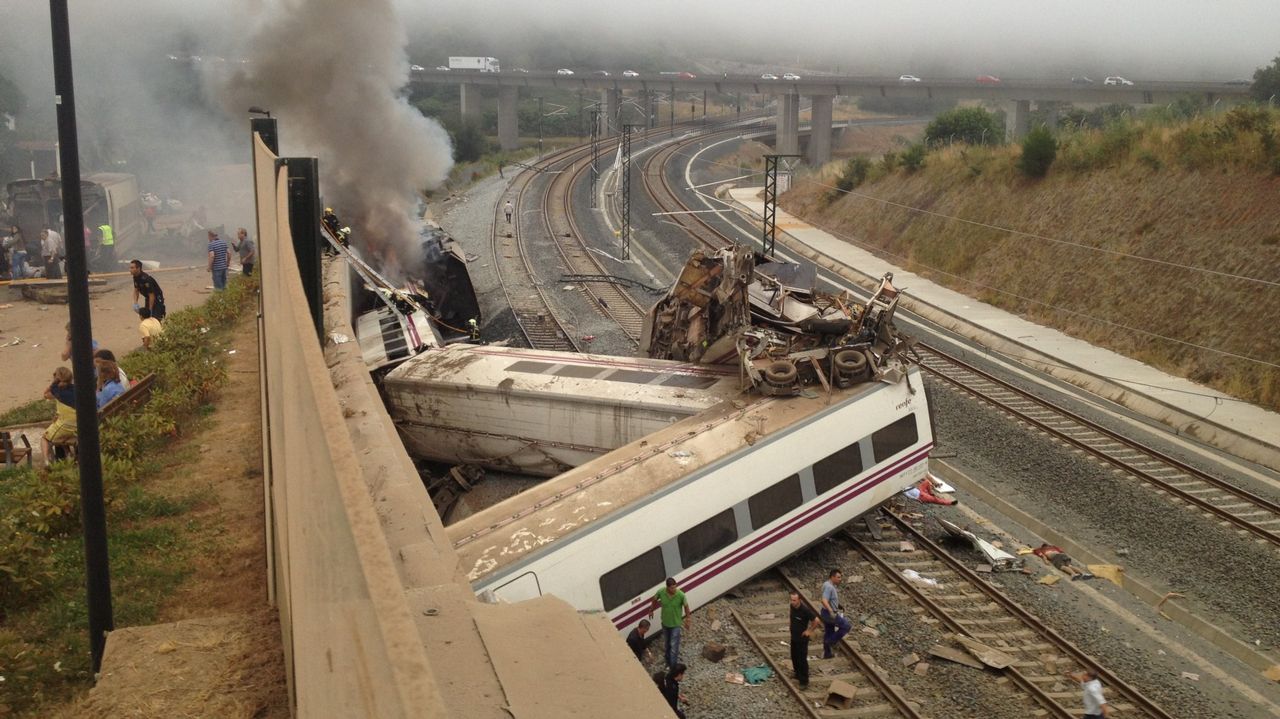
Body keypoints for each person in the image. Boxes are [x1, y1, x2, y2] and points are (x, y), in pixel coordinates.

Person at [649, 577, 691, 670]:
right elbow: (654, 599)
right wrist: (651, 609)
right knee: (667, 644)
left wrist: (688, 619)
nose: (674, 589)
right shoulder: (661, 592)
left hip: (676, 624)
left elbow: (686, 607)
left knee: (673, 646)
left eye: (675, 587)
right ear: (667, 588)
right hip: (665, 623)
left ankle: (673, 667)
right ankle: (668, 662)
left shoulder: (681, 595)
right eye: (672, 588)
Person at [41, 367, 77, 466]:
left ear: (57, 379)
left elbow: (45, 394)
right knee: (59, 433)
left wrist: (54, 382)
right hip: (79, 425)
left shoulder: (57, 391)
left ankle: (46, 462)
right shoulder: (76, 388)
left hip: (68, 426)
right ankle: (68, 454)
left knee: (45, 438)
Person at [788, 591, 821, 687]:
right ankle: (797, 674)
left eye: (794, 600)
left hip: (802, 639)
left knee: (802, 659)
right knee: (794, 656)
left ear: (799, 600)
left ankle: (804, 681)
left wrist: (809, 631)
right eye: (791, 600)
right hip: (794, 636)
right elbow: (791, 616)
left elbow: (816, 621)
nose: (792, 602)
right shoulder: (792, 606)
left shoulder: (805, 610)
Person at [819, 568, 852, 658]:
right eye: (838, 577)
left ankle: (827, 653)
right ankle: (830, 642)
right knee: (846, 626)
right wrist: (831, 611)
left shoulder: (827, 584)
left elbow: (829, 599)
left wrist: (837, 605)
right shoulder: (829, 587)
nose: (840, 579)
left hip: (825, 612)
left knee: (829, 631)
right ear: (832, 577)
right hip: (829, 614)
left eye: (840, 577)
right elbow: (824, 600)